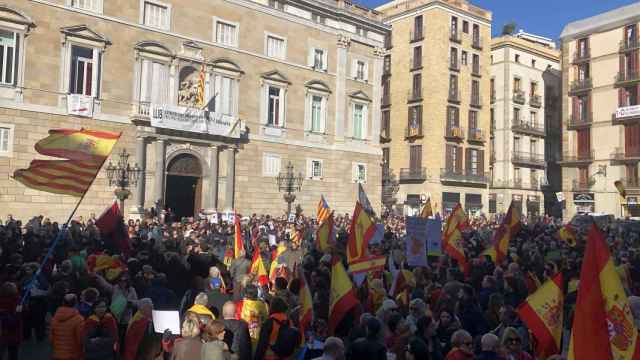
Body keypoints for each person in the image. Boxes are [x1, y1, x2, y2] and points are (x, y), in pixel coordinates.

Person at [50, 294, 85, 360]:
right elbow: (80, 339)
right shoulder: (79, 319)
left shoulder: (54, 318)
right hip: (73, 354)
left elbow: (51, 338)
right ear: (75, 304)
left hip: (57, 354)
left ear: (63, 302)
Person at [0, 282, 22, 360]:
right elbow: (19, 315)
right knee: (13, 352)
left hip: (4, 329)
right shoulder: (18, 301)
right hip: (13, 331)